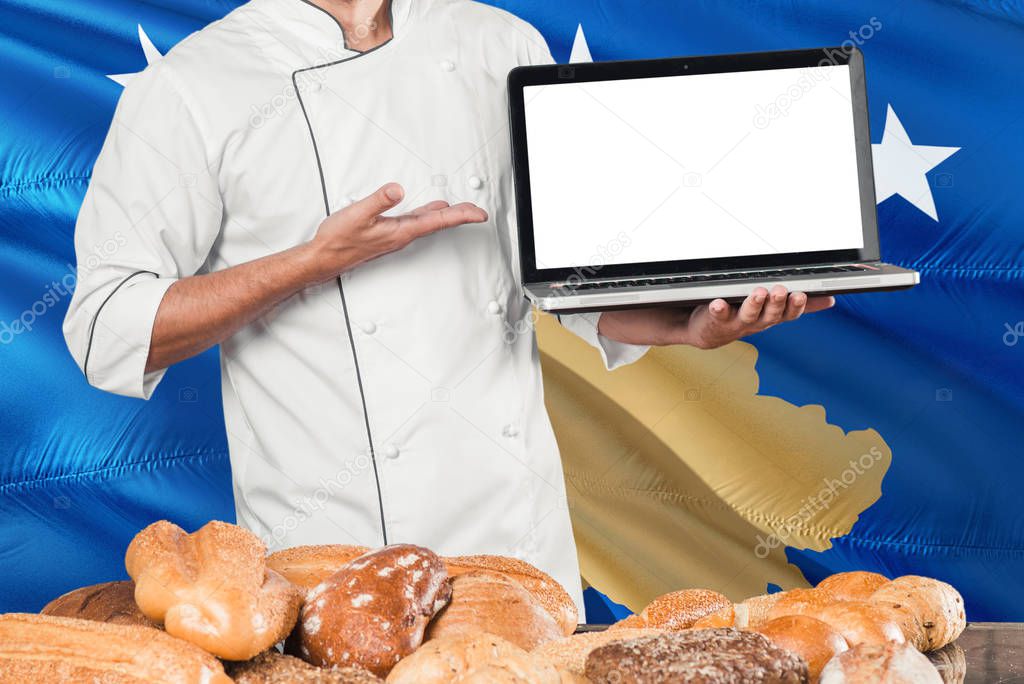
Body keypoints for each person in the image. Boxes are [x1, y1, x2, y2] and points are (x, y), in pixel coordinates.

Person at [63, 0, 833, 614]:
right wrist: (310, 263)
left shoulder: (500, 43)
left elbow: (555, 280)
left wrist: (688, 325)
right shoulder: (198, 84)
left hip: (516, 547)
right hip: (330, 563)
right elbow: (107, 327)